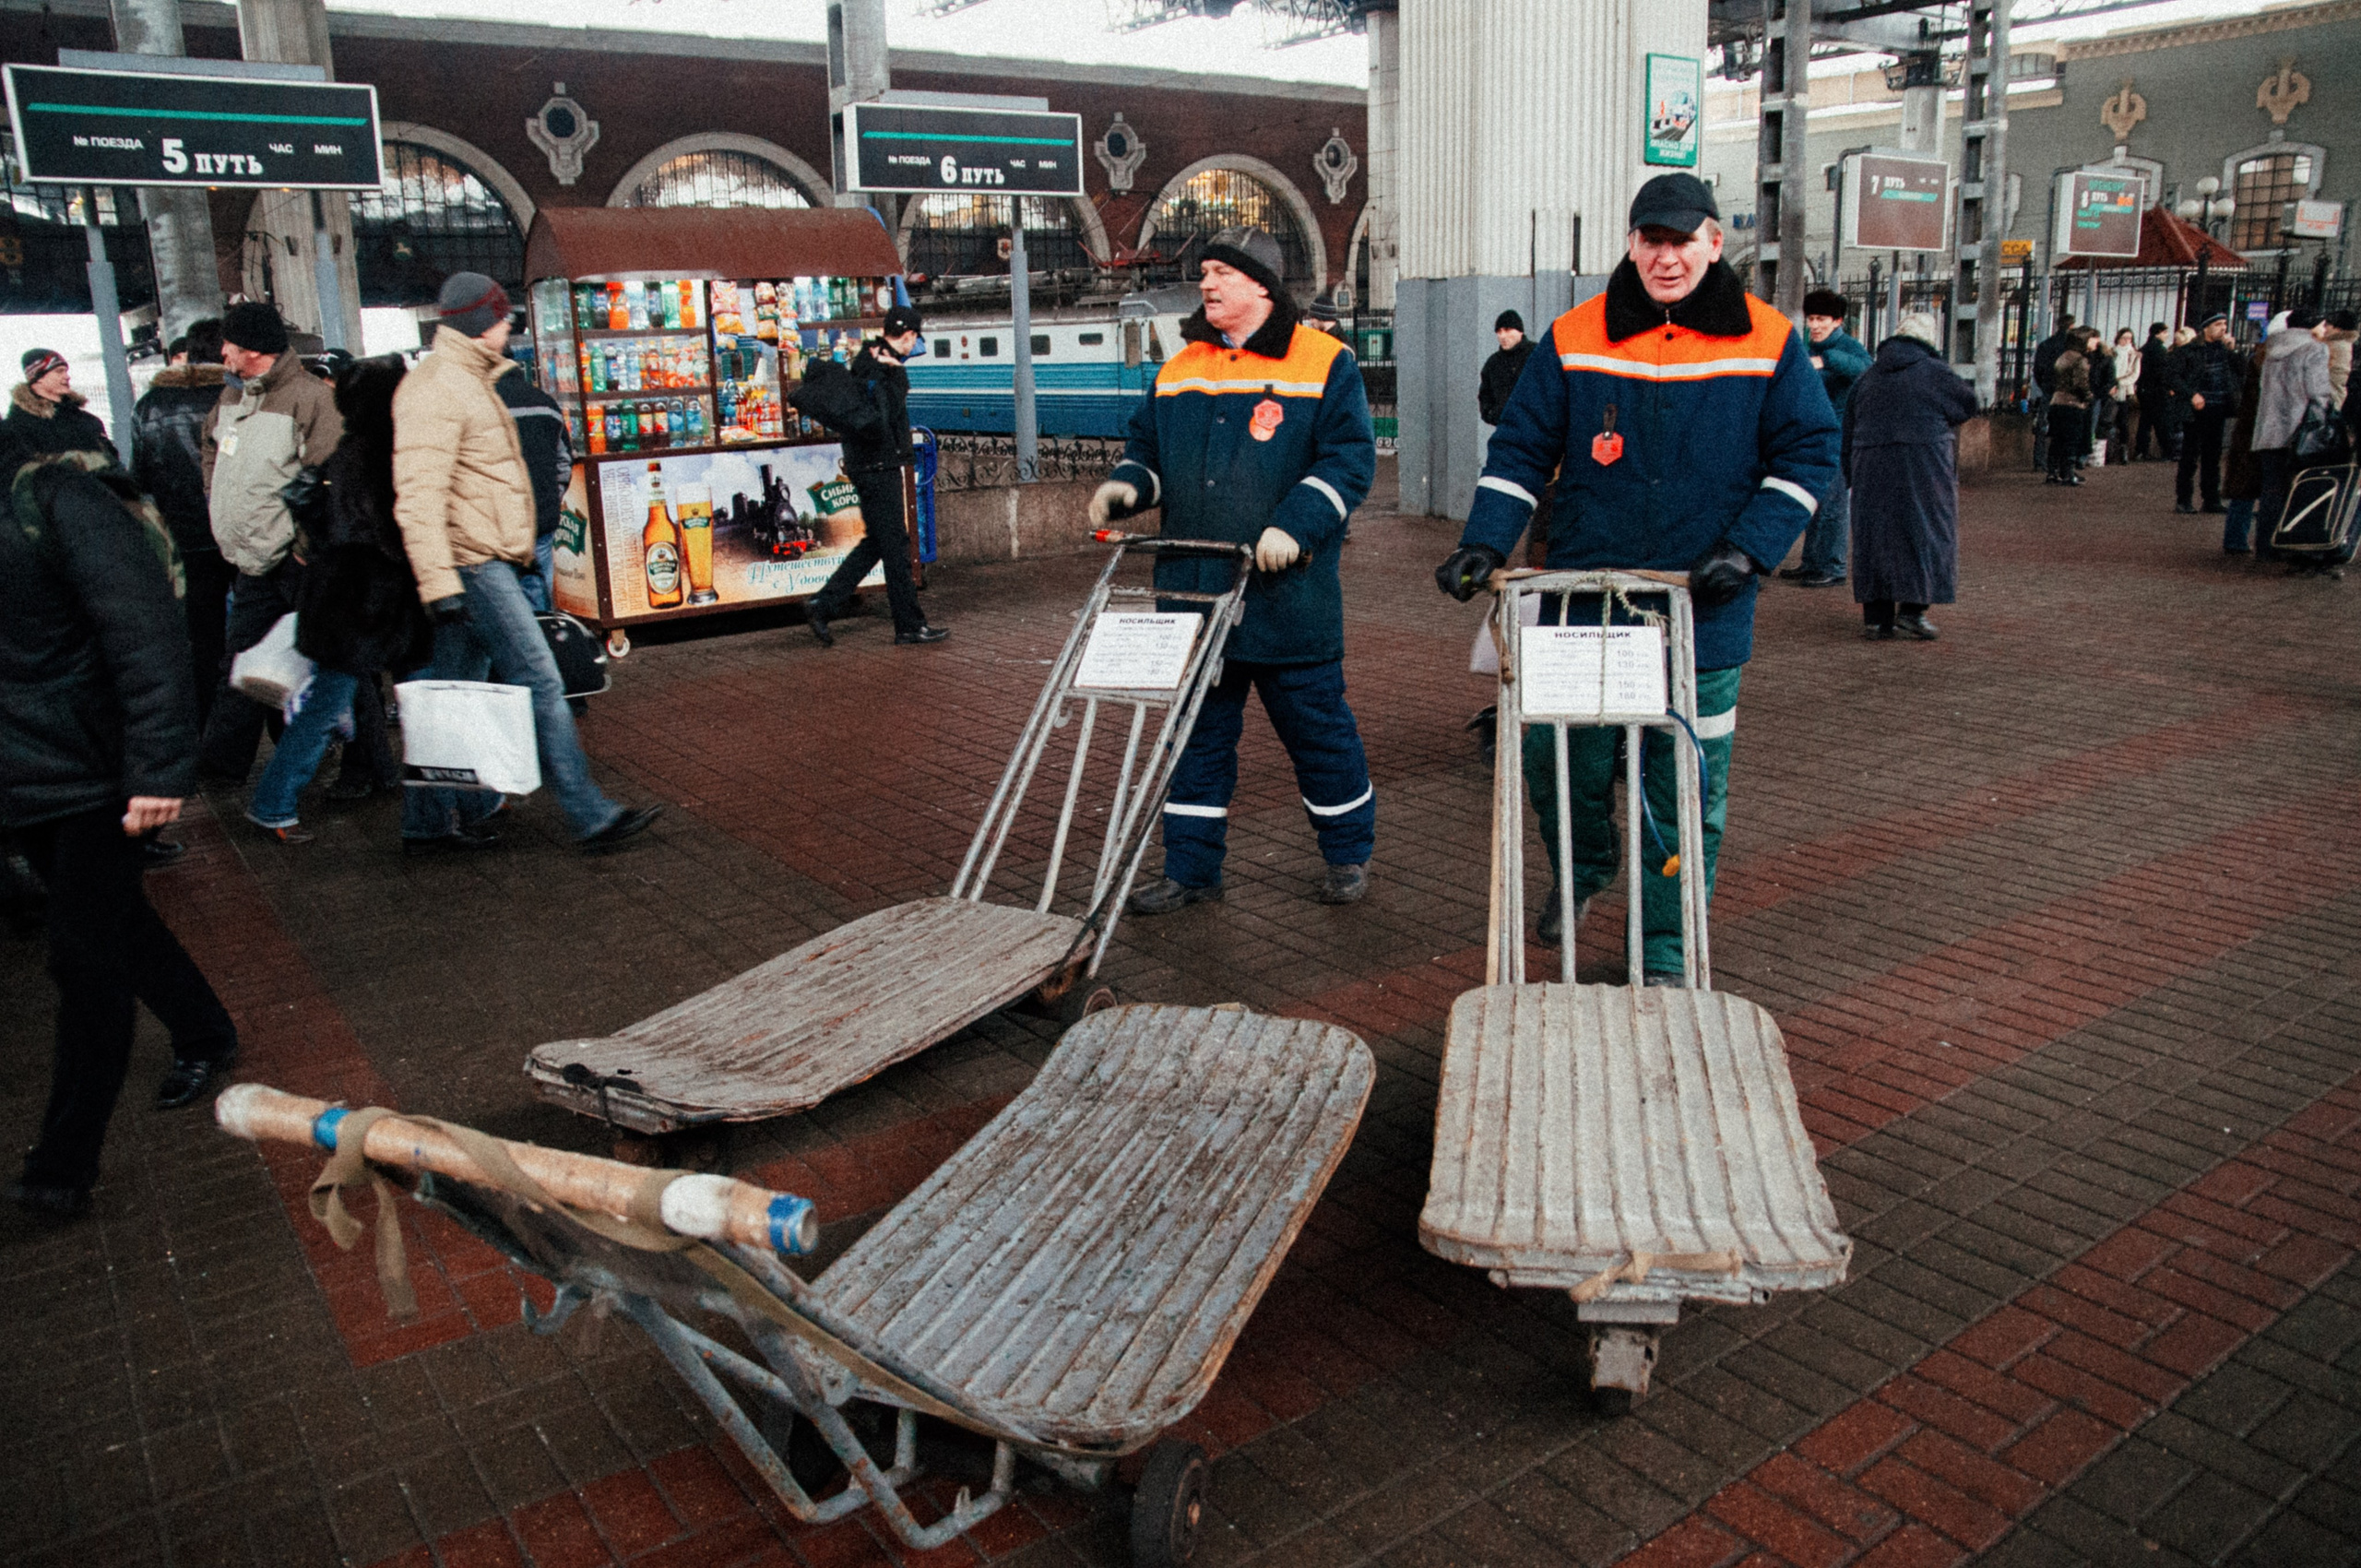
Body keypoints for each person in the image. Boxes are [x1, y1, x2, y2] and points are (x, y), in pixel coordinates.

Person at [1433, 172, 1838, 973]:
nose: (1666, 257)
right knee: (1558, 766)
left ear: (1714, 245)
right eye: (1651, 240)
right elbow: (1520, 450)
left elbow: (1810, 452)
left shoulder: (1766, 340)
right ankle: (1584, 868)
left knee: (1681, 792)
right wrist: (1486, 539)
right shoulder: (1577, 336)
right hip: (1586, 601)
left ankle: (1664, 952)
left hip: (1701, 609)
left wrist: (1750, 548)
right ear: (1632, 244)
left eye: (1683, 241)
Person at [1092, 225, 1379, 910]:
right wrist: (1130, 485)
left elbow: (1349, 461)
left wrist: (1295, 524)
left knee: (1318, 733)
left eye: (1222, 272)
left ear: (1262, 284)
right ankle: (1190, 871)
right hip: (1191, 595)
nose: (1208, 285)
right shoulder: (1182, 364)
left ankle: (1348, 855)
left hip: (1287, 600)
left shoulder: (1323, 362)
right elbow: (1149, 449)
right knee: (1194, 741)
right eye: (1205, 274)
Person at [0, 434, 239, 1220]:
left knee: (82, 957)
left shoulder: (53, 500)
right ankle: (205, 1032)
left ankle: (59, 1168)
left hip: (98, 773)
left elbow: (145, 630)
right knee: (117, 924)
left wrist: (159, 769)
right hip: (26, 777)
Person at [393, 272, 661, 852]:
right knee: (539, 678)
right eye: (502, 316)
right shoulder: (439, 387)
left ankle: (427, 821)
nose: (510, 326)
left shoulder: (468, 381)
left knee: (451, 689)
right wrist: (440, 583)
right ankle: (588, 813)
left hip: (485, 561)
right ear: (479, 322)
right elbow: (417, 496)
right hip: (473, 563)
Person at [244, 356, 428, 842]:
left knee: (335, 700)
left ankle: (279, 800)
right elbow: (373, 531)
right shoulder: (377, 452)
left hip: (344, 598)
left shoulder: (348, 448)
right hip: (363, 602)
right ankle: (274, 802)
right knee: (334, 703)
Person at [196, 301, 344, 781]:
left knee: (334, 662)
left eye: (230, 345)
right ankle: (222, 766)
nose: (222, 353)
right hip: (251, 559)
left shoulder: (309, 398)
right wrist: (221, 508)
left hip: (297, 561)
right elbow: (211, 452)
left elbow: (327, 478)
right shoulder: (233, 398)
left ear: (254, 350)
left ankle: (364, 766)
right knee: (240, 664)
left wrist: (303, 548)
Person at [806, 303, 945, 647]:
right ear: (908, 335)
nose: (914, 345)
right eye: (914, 337)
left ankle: (824, 604)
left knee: (880, 543)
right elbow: (886, 415)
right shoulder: (877, 366)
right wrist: (897, 375)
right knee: (895, 545)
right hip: (876, 466)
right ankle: (908, 626)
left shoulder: (870, 359)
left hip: (873, 465)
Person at [1847, 313, 1978, 641]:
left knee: (1875, 537)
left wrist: (1851, 473)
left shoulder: (1868, 376)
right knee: (1924, 531)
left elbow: (1849, 427)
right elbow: (1967, 405)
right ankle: (1912, 612)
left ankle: (1876, 619)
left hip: (1870, 464)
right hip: (1923, 466)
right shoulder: (1935, 372)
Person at [134, 318, 231, 731]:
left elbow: (140, 480)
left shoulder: (150, 405)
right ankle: (272, 720)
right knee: (262, 631)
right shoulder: (236, 398)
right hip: (240, 534)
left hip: (186, 539)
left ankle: (205, 725)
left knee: (202, 639)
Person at [1779, 289, 1869, 587]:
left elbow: (1866, 369)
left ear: (1837, 320)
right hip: (1811, 436)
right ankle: (1812, 562)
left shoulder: (1847, 347)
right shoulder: (1805, 347)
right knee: (1815, 503)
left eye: (1822, 319)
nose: (1815, 325)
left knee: (1833, 503)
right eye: (1811, 319)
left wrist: (1827, 360)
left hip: (1840, 437)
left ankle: (1833, 565)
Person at [2249, 305, 2333, 563]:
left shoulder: (2272, 349)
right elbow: (2318, 392)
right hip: (2300, 431)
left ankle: (2266, 546)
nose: (2325, 329)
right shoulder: (2314, 349)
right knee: (2303, 489)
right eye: (2322, 323)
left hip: (2268, 430)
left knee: (2271, 491)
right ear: (2311, 324)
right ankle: (2296, 544)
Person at [495, 356, 572, 613]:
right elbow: (564, 461)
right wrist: (553, 496)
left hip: (499, 522)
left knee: (504, 600)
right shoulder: (546, 403)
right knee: (538, 592)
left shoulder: (484, 404)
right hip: (542, 517)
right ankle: (544, 638)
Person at [1478, 310, 1549, 565]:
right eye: (1499, 331)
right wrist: (1494, 414)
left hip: (1540, 435)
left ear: (1519, 331)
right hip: (1508, 435)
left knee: (1545, 497)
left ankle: (1537, 555)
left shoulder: (1537, 355)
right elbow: (1484, 398)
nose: (1503, 336)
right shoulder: (1492, 364)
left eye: (1508, 330)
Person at [2171, 313, 2243, 515]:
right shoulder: (2189, 351)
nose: (2223, 328)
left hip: (2218, 408)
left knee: (2213, 456)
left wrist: (2232, 349)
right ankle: (2184, 499)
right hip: (2197, 410)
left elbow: (2241, 370)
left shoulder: (2224, 351)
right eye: (2218, 324)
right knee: (2190, 455)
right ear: (2206, 328)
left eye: (2224, 324)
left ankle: (2211, 498)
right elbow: (2172, 376)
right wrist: (2191, 394)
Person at [5, 348, 113, 457]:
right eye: (59, 371)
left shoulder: (89, 421)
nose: (67, 376)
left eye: (66, 371)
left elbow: (112, 463)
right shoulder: (17, 428)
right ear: (38, 377)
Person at [2220, 343, 2268, 557]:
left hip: (2248, 434)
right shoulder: (2267, 361)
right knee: (2268, 490)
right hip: (2263, 434)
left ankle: (2236, 539)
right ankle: (2260, 543)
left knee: (2243, 489)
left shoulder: (2257, 359)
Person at [2030, 312, 2079, 472]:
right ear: (2072, 326)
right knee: (2065, 428)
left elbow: (2038, 369)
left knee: (2044, 425)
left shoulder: (2046, 345)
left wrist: (2045, 385)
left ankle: (2039, 460)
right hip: (2068, 392)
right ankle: (2062, 463)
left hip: (2049, 389)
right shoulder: (2073, 347)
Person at [2046, 333, 2092, 486]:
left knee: (2057, 439)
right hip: (2072, 403)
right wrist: (2088, 397)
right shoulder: (2080, 360)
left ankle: (2052, 472)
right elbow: (2080, 384)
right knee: (2071, 439)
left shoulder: (2062, 357)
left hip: (2056, 401)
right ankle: (2068, 473)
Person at [2133, 321, 2174, 460]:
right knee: (2161, 422)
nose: (2167, 335)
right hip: (2158, 391)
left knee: (2145, 422)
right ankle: (2167, 451)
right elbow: (2163, 373)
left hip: (2144, 389)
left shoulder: (2144, 348)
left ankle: (2141, 451)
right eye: (2165, 332)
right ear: (2159, 333)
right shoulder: (2160, 350)